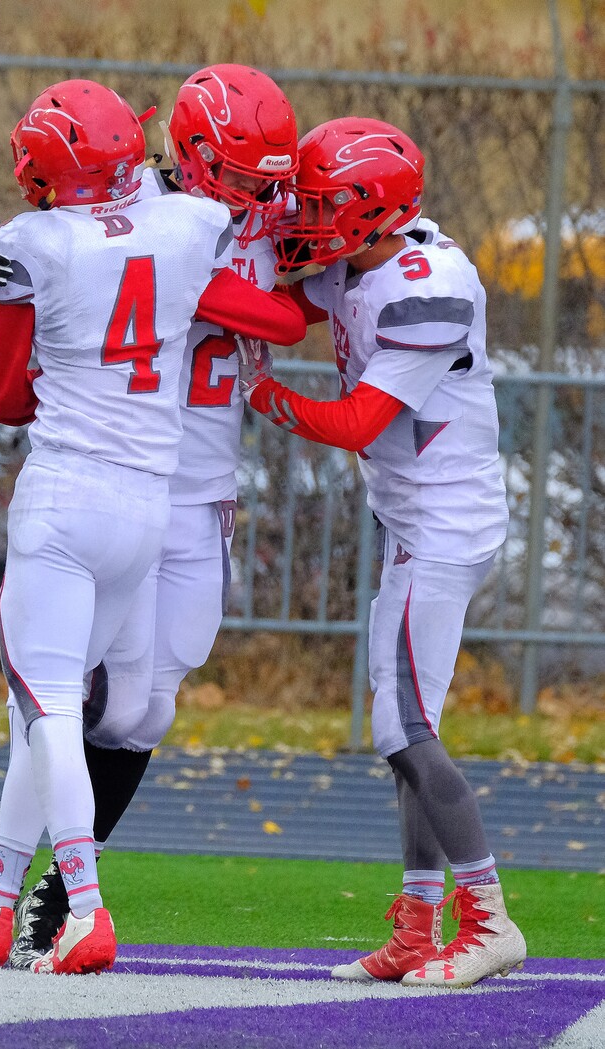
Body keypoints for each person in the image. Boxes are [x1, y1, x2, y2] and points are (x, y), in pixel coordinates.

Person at [0, 66, 304, 971]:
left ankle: (72, 904)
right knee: (60, 703)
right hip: (145, 497)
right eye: (239, 174)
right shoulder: (186, 223)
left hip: (99, 491)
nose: (254, 195)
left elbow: (3, 384)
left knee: (72, 702)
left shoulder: (71, 235)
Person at [237, 117, 527, 989]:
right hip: (413, 521)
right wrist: (206, 292)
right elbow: (286, 308)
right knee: (409, 728)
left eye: (322, 203)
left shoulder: (426, 287)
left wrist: (262, 395)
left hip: (444, 526)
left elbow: (360, 421)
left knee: (401, 728)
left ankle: (489, 919)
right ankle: (417, 922)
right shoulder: (363, 260)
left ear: (368, 210)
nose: (307, 218)